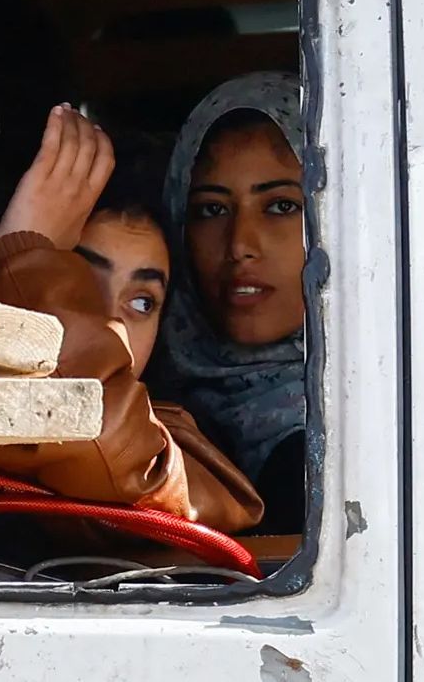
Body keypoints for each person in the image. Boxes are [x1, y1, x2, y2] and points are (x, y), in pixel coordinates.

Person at [0, 103, 264, 533]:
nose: (112, 324)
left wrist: (23, 256)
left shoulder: (177, 454)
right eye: (80, 282)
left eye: (144, 302)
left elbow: (99, 430)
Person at [161, 72, 310, 534]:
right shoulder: (143, 417)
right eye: (211, 209)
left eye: (282, 206)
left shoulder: (399, 423)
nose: (240, 245)